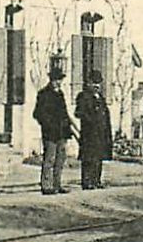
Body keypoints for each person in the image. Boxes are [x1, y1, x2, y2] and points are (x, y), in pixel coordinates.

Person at [33, 65, 74, 195]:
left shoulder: (60, 94)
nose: (58, 82)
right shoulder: (43, 94)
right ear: (51, 80)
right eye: (56, 79)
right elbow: (38, 113)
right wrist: (48, 124)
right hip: (50, 133)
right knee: (49, 159)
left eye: (60, 79)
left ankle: (57, 184)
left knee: (60, 159)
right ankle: (46, 185)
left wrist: (68, 125)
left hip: (62, 132)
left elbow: (64, 113)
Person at [75, 69, 113, 190]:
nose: (97, 85)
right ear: (89, 83)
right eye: (94, 82)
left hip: (101, 133)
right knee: (88, 157)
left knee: (98, 157)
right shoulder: (83, 96)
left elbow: (105, 115)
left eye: (99, 83)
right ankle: (87, 181)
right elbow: (79, 112)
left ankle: (96, 180)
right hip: (89, 133)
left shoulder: (101, 98)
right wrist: (90, 120)